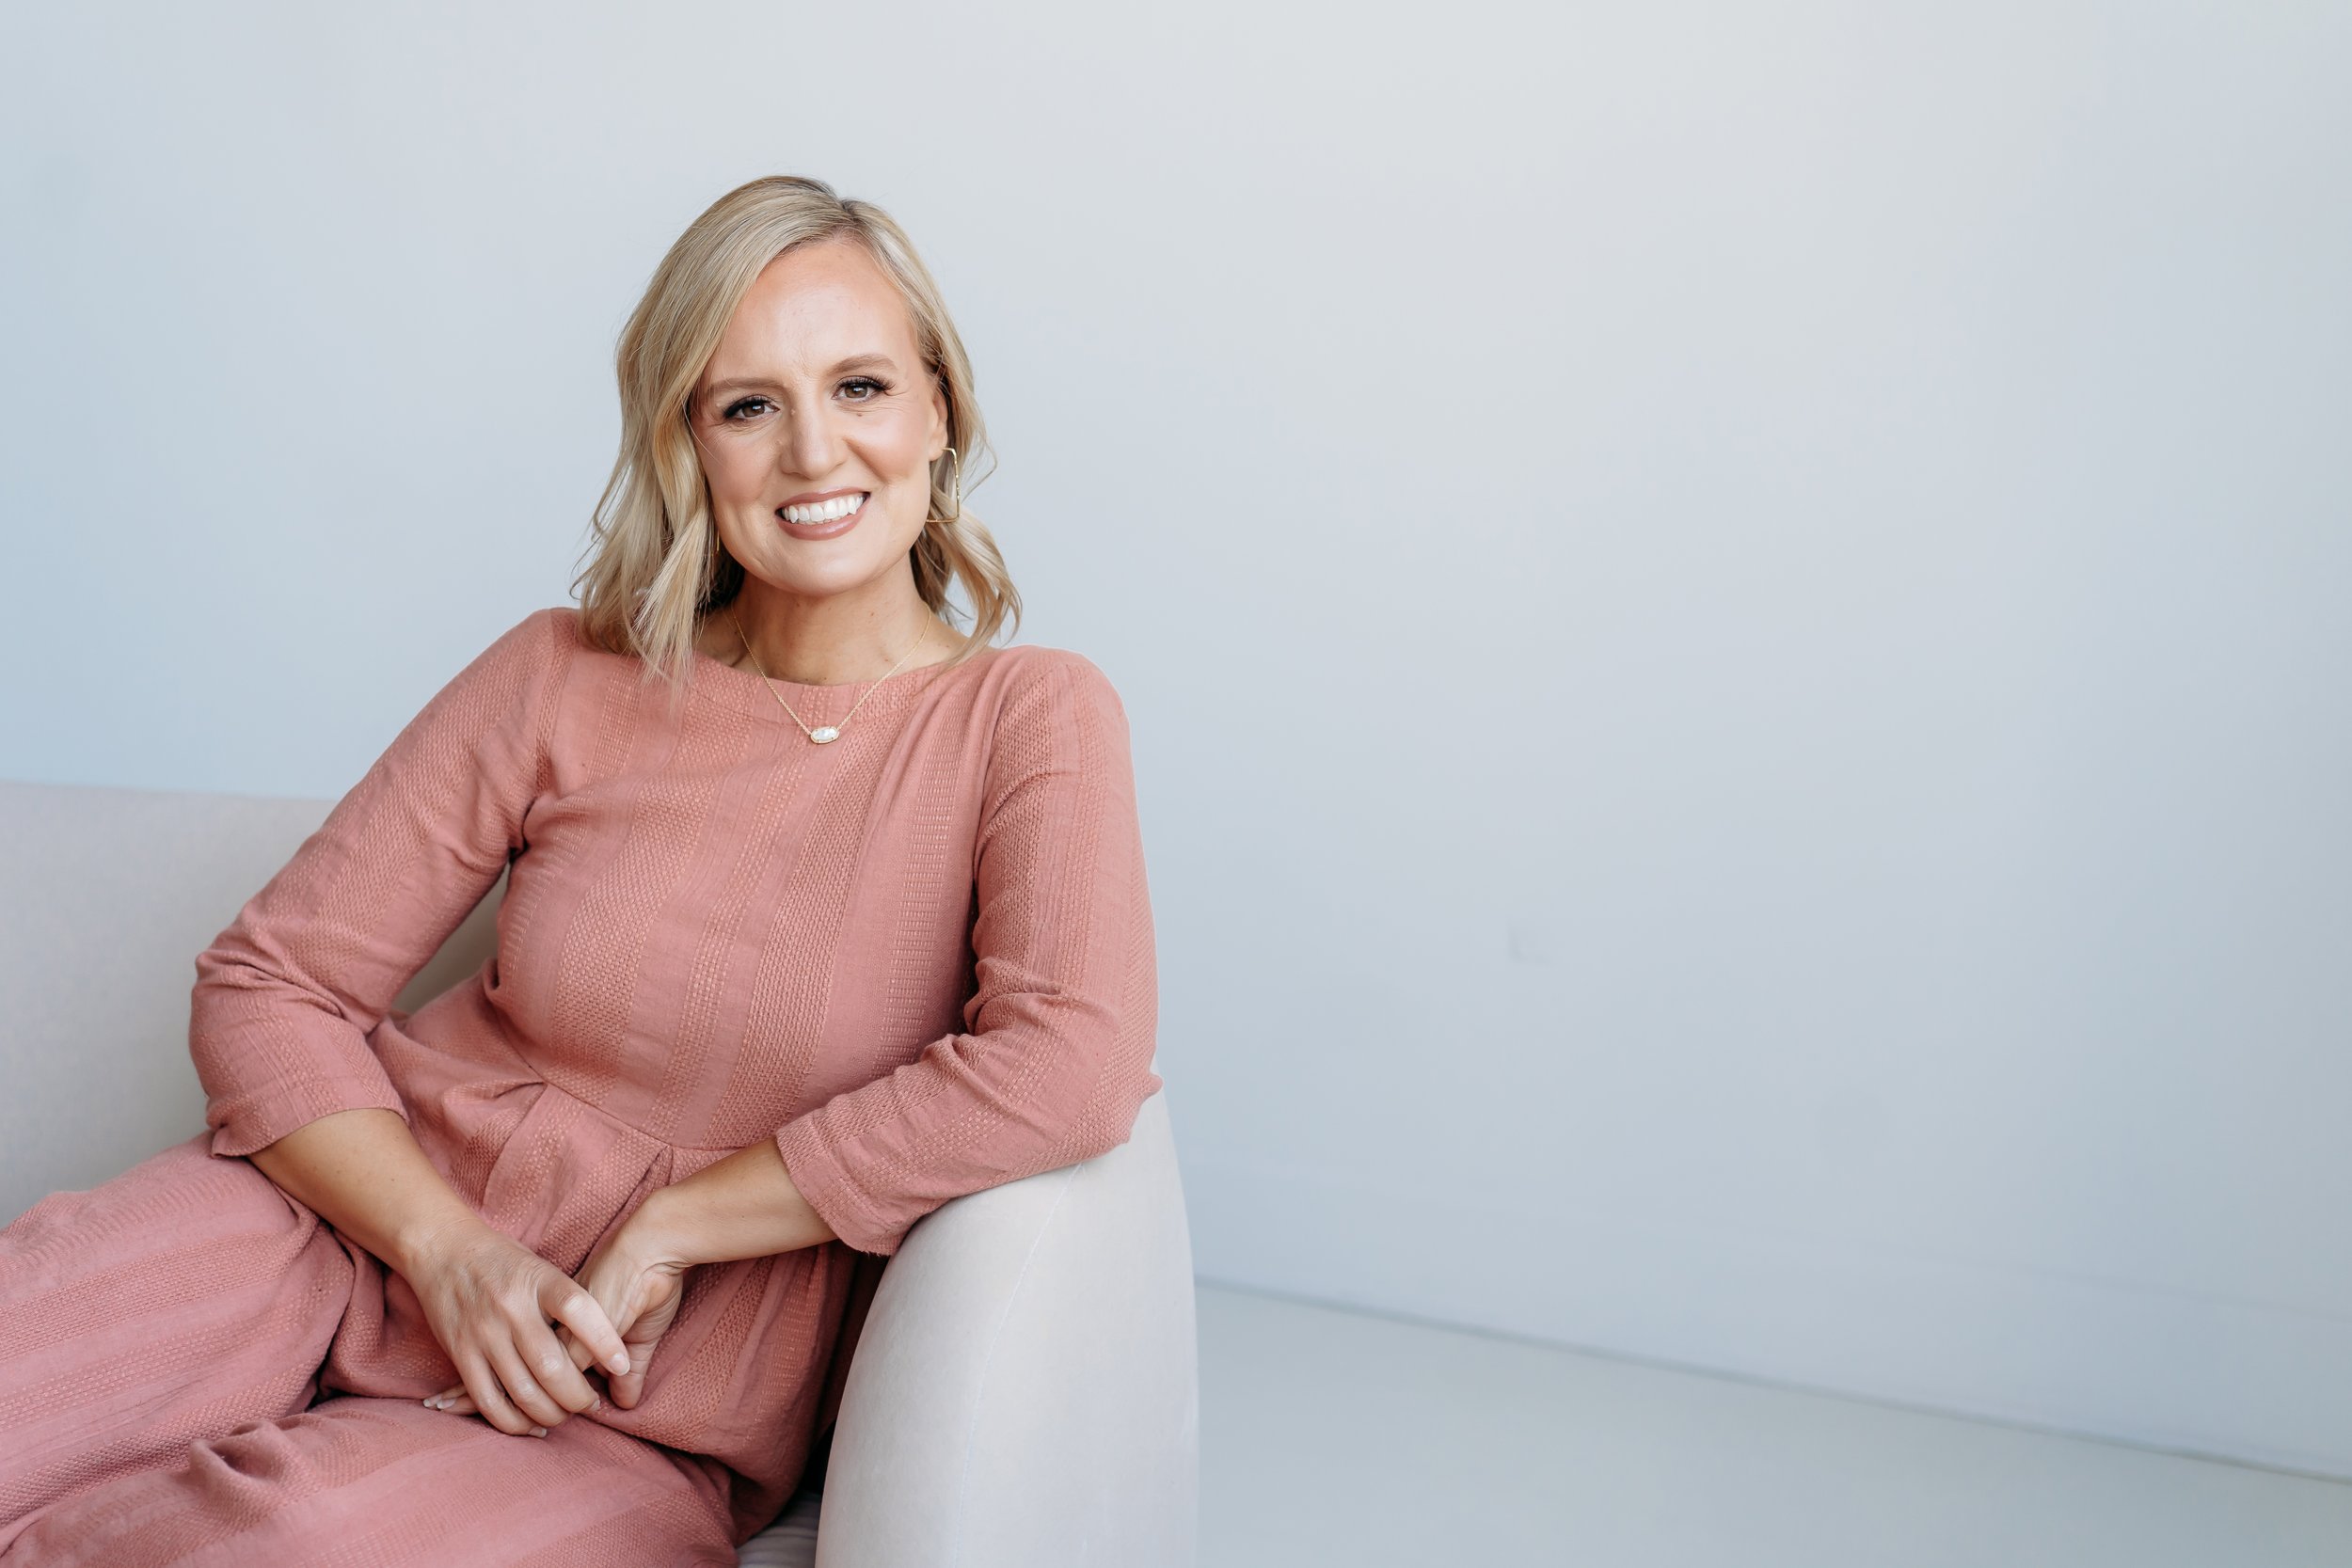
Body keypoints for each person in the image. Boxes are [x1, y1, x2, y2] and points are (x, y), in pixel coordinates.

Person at [0, 173, 1163, 1565]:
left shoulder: (1028, 717)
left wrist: (677, 1221)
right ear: (687, 444)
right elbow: (269, 981)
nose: (811, 453)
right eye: (747, 406)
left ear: (939, 411)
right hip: (324, 1236)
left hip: (629, 1395)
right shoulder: (562, 671)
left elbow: (1071, 1063)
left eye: (858, 387)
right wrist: (450, 1250)